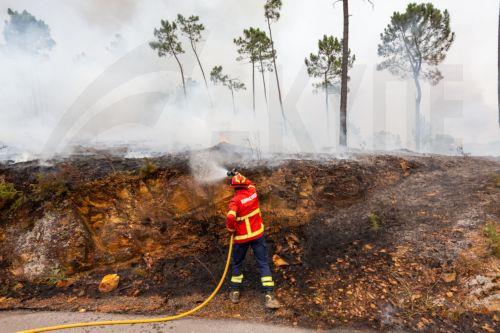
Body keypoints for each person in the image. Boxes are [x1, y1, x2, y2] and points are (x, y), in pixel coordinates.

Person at [225, 171, 281, 309]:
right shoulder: (252, 192)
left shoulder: (235, 201)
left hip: (242, 238)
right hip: (257, 235)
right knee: (263, 263)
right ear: (245, 184)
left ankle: (235, 291)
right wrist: (238, 174)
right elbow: (249, 183)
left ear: (234, 188)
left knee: (237, 263)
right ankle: (269, 295)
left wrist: (231, 229)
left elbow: (231, 217)